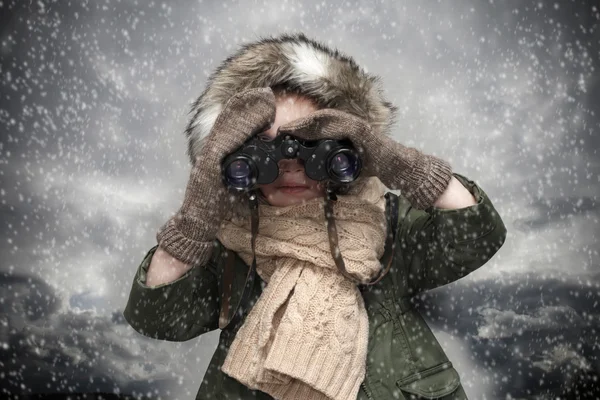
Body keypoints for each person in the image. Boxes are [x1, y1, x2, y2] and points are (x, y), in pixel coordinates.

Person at [123, 33, 507, 400]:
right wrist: (199, 212)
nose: (291, 166)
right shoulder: (229, 243)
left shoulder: (384, 225)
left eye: (310, 145)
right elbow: (157, 316)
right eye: (266, 149)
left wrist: (399, 164)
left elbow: (478, 233)